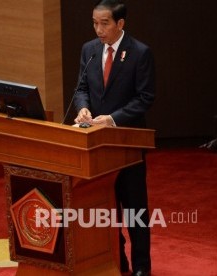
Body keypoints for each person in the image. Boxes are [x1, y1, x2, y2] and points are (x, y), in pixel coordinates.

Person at [73, 0, 155, 275]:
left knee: (134, 210)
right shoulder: (90, 50)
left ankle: (142, 267)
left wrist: (113, 118)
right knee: (107, 209)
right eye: (95, 23)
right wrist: (83, 107)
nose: (98, 29)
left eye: (104, 23)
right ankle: (118, 263)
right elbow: (82, 87)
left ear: (120, 23)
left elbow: (145, 98)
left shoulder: (140, 53)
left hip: (127, 144)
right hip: (97, 145)